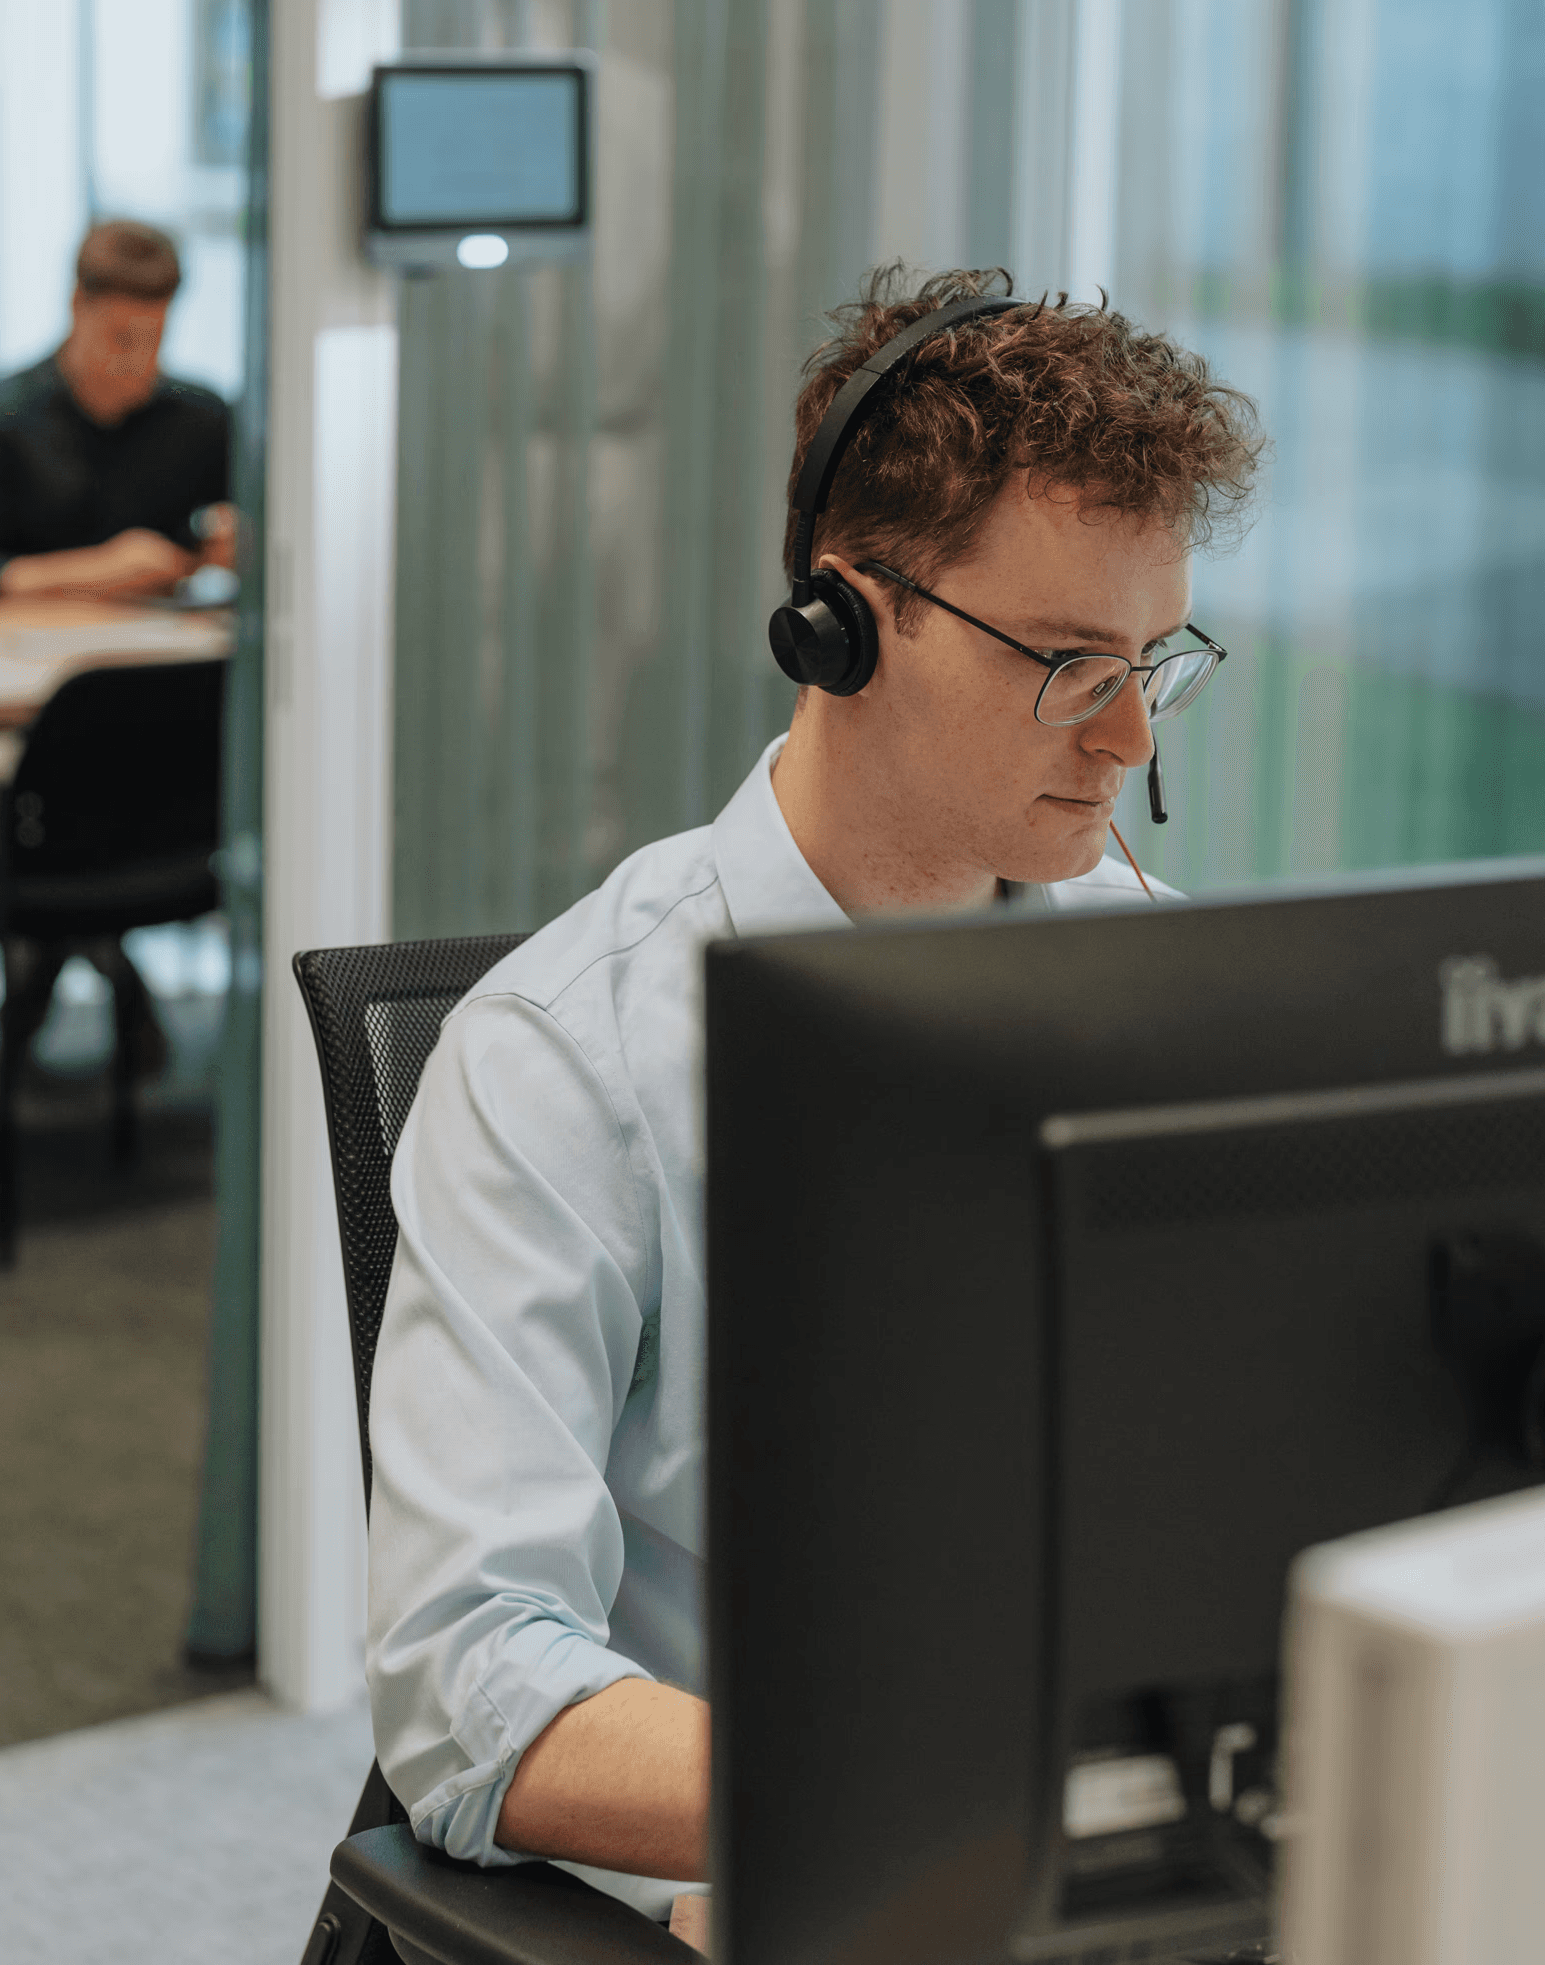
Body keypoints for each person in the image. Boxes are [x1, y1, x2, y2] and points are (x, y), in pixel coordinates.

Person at [367, 268, 1264, 1921]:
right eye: (1070, 662)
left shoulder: (1158, 994)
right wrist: (911, 1808)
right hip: (770, 1868)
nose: (1132, 735)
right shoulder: (566, 1059)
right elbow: (468, 1692)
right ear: (844, 621)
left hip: (1127, 1847)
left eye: (1158, 657)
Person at [0, 219, 232, 599]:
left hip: (173, 651)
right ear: (78, 306)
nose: (139, 364)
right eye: (122, 341)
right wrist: (98, 571)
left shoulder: (204, 421)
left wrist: (229, 543)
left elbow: (229, 535)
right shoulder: (9, 418)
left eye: (155, 340)